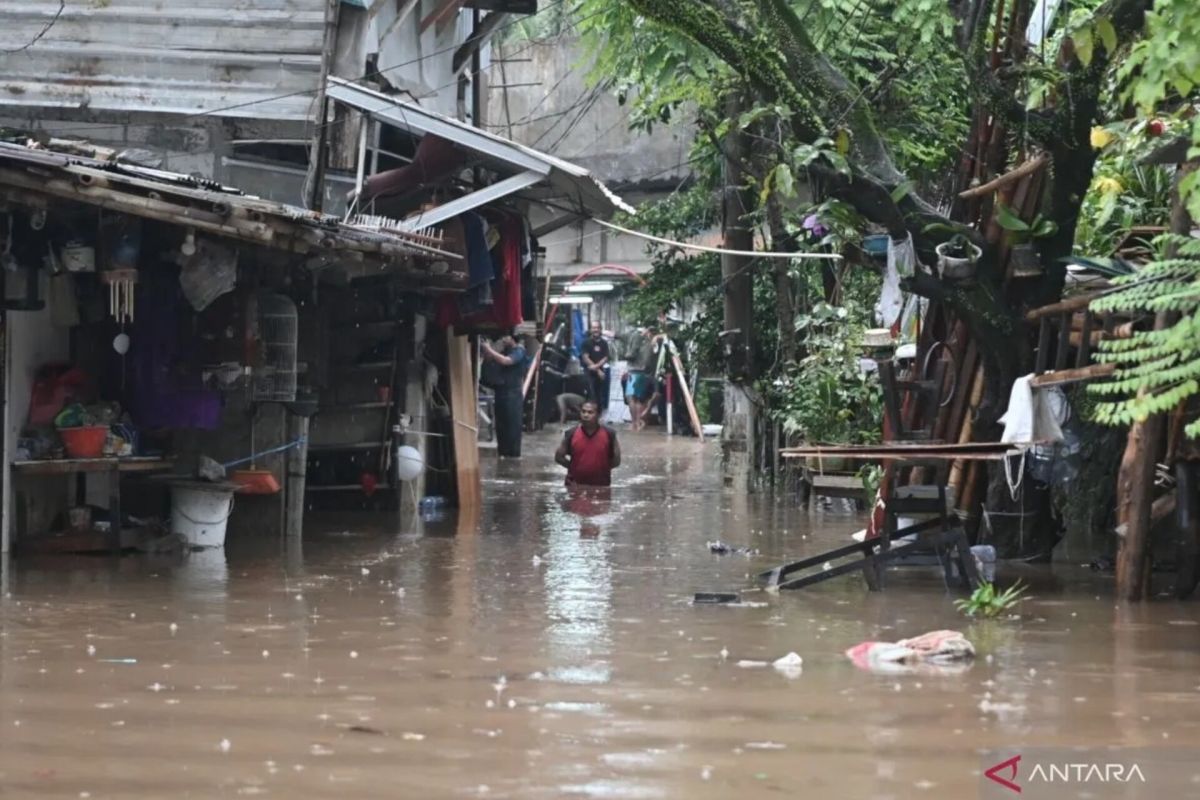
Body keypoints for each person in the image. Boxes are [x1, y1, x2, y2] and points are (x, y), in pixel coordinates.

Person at [555, 400, 622, 487]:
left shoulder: (609, 434)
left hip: (601, 485)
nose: (586, 415)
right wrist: (574, 468)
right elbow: (559, 457)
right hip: (574, 485)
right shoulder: (571, 433)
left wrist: (602, 469)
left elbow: (616, 460)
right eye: (583, 411)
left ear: (598, 415)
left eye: (590, 412)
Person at [481, 333, 527, 458]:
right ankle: (503, 453)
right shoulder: (504, 350)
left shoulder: (519, 351)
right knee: (501, 425)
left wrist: (489, 349)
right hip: (501, 391)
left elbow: (506, 361)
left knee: (512, 426)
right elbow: (492, 360)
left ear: (512, 338)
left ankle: (513, 455)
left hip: (513, 394)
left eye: (505, 337)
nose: (503, 339)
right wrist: (488, 351)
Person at [624, 327, 661, 432]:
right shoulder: (653, 344)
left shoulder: (645, 343)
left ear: (648, 332)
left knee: (632, 398)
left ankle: (635, 423)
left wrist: (627, 354)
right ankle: (638, 422)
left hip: (636, 372)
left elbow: (631, 355)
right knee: (638, 399)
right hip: (644, 373)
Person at [581, 323, 611, 413]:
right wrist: (598, 370)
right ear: (591, 329)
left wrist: (596, 367)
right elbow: (585, 357)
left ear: (600, 329)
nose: (596, 330)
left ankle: (599, 415)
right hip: (589, 373)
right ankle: (590, 415)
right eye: (594, 328)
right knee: (591, 394)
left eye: (598, 328)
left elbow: (605, 357)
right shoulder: (586, 342)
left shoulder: (604, 343)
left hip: (601, 373)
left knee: (599, 395)